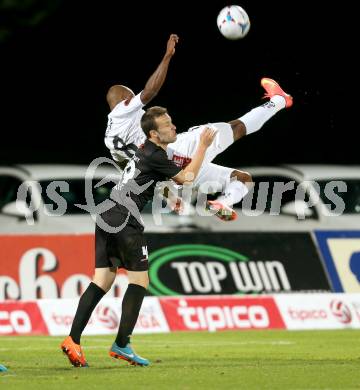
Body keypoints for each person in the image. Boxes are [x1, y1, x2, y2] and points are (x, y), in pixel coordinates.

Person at [60, 107, 217, 367]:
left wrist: (171, 198)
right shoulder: (155, 154)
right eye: (168, 124)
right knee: (140, 281)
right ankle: (122, 344)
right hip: (125, 219)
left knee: (101, 281)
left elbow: (145, 180)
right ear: (154, 133)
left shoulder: (147, 150)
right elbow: (187, 178)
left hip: (107, 214)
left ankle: (72, 340)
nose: (174, 127)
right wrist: (203, 145)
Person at [105, 34, 293, 220]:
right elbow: (150, 91)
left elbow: (135, 171)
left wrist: (170, 198)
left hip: (175, 174)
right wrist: (167, 55)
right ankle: (279, 100)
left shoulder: (110, 142)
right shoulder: (122, 110)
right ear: (125, 99)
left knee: (243, 179)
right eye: (131, 97)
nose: (137, 102)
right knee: (236, 128)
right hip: (180, 152)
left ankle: (224, 202)